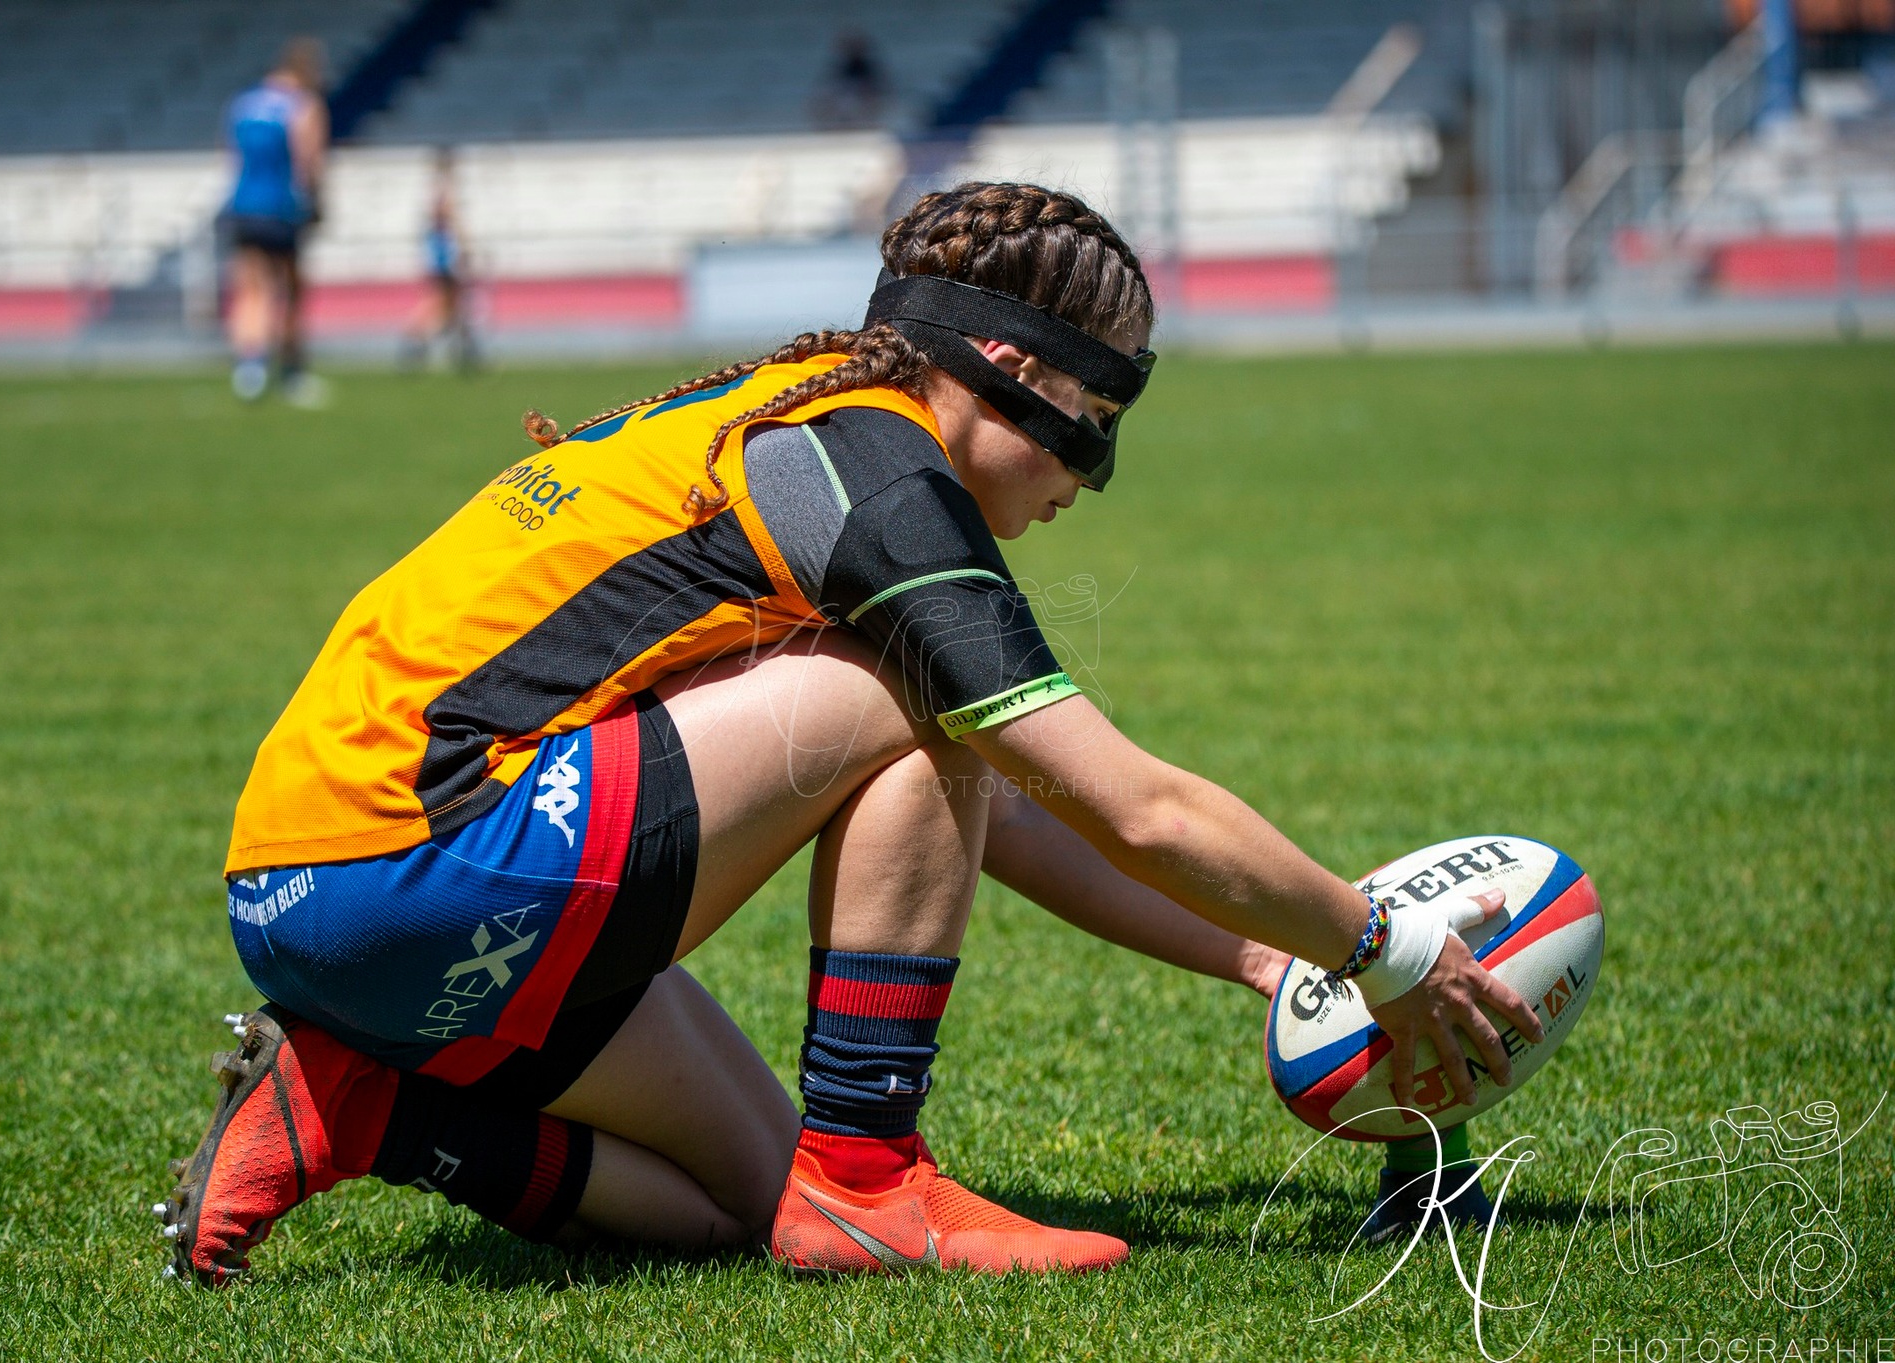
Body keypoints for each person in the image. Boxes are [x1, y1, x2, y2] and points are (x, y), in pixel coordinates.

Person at [153, 181, 1540, 1284]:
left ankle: (352, 1106)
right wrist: (1382, 944)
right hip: (426, 855)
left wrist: (1262, 952)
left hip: (317, 896)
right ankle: (872, 1173)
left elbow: (1024, 813)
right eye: (1093, 428)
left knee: (737, 1204)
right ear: (1009, 367)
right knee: (922, 696)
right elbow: (1134, 805)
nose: (1090, 481)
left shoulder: (810, 419)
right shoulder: (880, 474)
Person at [223, 37, 329, 408]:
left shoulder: (243, 104)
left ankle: (249, 369)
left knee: (249, 288)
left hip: (242, 205)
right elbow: (307, 163)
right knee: (289, 290)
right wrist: (317, 204)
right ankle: (292, 372)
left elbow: (235, 158)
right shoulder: (302, 106)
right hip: (281, 208)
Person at [399, 147, 479, 373]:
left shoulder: (435, 190)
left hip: (438, 251)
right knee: (444, 301)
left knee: (451, 303)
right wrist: (464, 245)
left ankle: (462, 349)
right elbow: (449, 219)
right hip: (444, 253)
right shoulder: (445, 190)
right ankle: (417, 339)